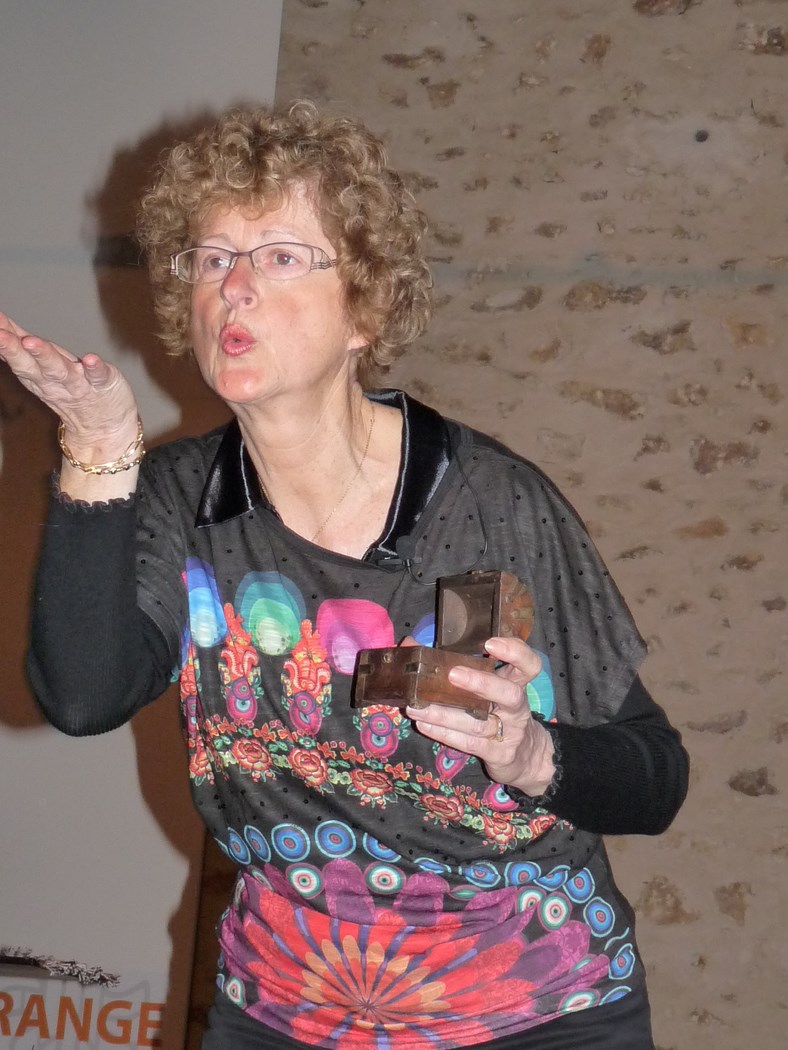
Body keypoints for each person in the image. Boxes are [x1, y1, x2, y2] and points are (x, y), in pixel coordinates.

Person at [1, 101, 688, 1050]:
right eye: (212, 258)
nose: (235, 287)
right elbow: (82, 696)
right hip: (279, 1011)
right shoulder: (177, 494)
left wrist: (535, 756)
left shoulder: (488, 502)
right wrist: (96, 446)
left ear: (364, 307)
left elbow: (656, 778)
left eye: (281, 256)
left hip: (528, 1014)